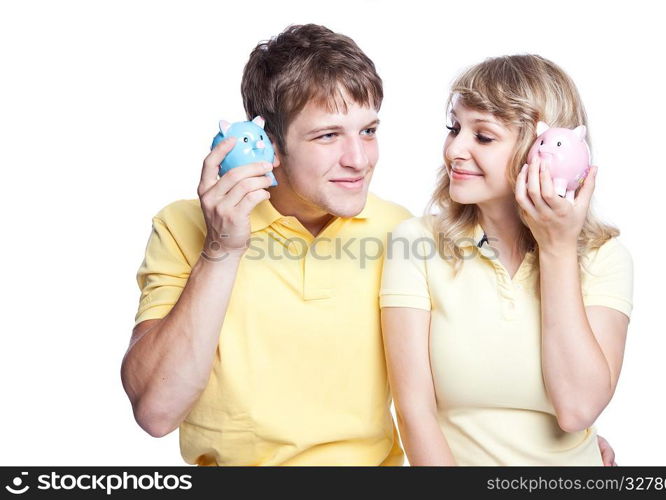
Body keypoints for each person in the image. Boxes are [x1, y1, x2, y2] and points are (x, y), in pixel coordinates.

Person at [122, 24, 618, 466]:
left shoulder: (401, 234)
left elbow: (487, 362)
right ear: (269, 143)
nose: (358, 159)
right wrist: (222, 250)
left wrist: (561, 455)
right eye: (327, 136)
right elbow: (155, 411)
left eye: (369, 130)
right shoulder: (183, 227)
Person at [380, 55, 632, 465]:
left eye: (483, 136)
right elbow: (414, 413)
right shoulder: (416, 243)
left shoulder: (606, 259)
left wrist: (557, 250)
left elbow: (577, 409)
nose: (455, 149)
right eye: (454, 128)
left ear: (546, 150)